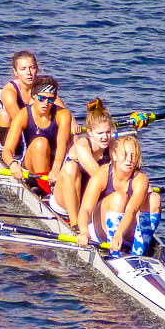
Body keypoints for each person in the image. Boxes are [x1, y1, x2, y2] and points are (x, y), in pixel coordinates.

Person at [75, 135, 162, 257]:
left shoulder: (140, 179)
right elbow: (85, 209)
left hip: (124, 231)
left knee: (154, 198)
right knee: (119, 198)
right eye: (124, 154)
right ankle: (114, 254)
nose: (129, 160)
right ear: (114, 156)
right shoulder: (103, 174)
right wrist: (83, 231)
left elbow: (131, 211)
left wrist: (119, 233)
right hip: (100, 229)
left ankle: (137, 254)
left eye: (133, 155)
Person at [0, 51, 75, 151]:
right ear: (16, 72)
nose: (28, 73)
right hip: (6, 137)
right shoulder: (9, 91)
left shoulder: (44, 88)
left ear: (37, 69)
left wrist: (73, 127)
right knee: (4, 115)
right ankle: (9, 154)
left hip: (34, 134)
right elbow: (20, 122)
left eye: (32, 67)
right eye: (23, 69)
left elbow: (64, 111)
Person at [49, 98, 114, 230]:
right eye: (100, 133)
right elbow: (98, 176)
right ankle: (75, 224)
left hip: (88, 203)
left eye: (108, 132)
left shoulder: (113, 146)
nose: (105, 137)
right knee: (71, 168)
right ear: (89, 132)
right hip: (64, 204)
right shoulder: (82, 146)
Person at [1, 75, 72, 187]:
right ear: (34, 96)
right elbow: (7, 151)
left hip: (54, 163)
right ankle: (45, 189)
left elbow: (62, 144)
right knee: (40, 143)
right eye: (42, 98)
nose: (46, 103)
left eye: (51, 99)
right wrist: (12, 164)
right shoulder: (23, 115)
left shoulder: (63, 114)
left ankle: (48, 185)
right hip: (30, 165)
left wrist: (56, 168)